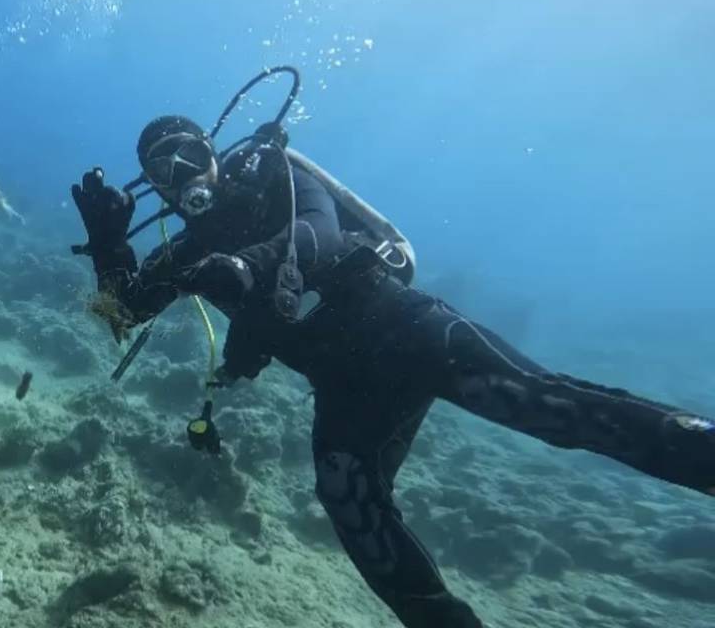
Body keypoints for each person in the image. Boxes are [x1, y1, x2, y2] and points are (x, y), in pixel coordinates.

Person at [69, 114, 715, 628]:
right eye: (163, 166)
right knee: (353, 505)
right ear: (152, 184)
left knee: (545, 407)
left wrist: (249, 265)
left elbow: (320, 231)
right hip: (347, 387)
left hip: (410, 331)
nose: (182, 172)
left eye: (188, 152)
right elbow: (124, 309)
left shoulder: (275, 173)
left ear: (213, 149)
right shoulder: (188, 250)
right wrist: (106, 241)